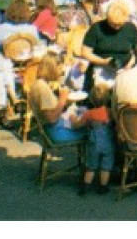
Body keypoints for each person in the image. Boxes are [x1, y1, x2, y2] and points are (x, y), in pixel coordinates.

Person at [28, 55, 113, 196]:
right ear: (52, 68)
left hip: (51, 128)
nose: (61, 72)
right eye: (60, 68)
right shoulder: (42, 89)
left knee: (86, 118)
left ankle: (93, 169)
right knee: (98, 130)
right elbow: (51, 119)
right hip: (55, 132)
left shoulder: (39, 85)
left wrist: (66, 102)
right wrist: (62, 100)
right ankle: (100, 169)